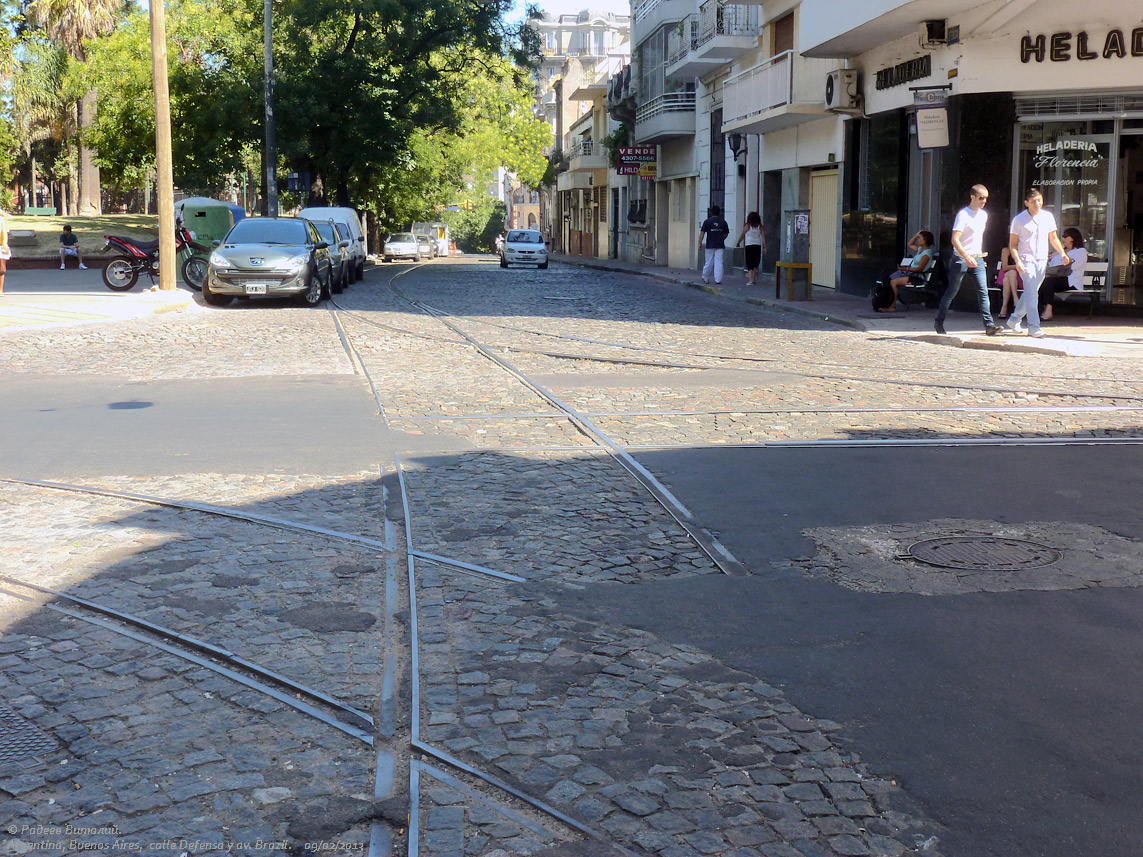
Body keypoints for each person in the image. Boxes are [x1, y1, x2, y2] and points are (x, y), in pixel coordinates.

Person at [935, 184, 1001, 335]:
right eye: (981, 198)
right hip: (960, 259)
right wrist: (966, 256)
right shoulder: (963, 215)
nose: (984, 201)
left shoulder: (984, 215)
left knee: (983, 292)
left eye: (986, 198)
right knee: (952, 291)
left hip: (977, 259)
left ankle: (989, 325)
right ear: (973, 197)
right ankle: (939, 322)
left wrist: (977, 255)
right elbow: (954, 239)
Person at [1007, 187, 1067, 338]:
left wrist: (1062, 253)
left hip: (1042, 259)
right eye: (1034, 201)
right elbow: (1013, 244)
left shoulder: (1047, 217)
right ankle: (1034, 327)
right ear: (1026, 203)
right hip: (1026, 259)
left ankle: (1014, 320)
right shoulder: (1018, 220)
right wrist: (1017, 261)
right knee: (1033, 293)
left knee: (1030, 292)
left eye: (1039, 200)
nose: (1037, 204)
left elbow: (1053, 238)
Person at [1038, 227, 1087, 321]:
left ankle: (1048, 310)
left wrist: (1063, 256)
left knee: (1049, 282)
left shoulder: (1080, 251)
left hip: (1071, 280)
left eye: (1065, 236)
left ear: (1072, 238)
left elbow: (1075, 267)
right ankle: (1039, 311)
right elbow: (1051, 266)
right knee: (1042, 282)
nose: (1063, 239)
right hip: (1056, 278)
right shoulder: (1060, 252)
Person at [882, 230, 935, 311]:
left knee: (894, 282)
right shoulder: (920, 249)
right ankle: (886, 302)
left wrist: (906, 269)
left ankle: (892, 306)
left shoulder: (926, 254)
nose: (918, 240)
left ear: (925, 240)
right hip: (910, 274)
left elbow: (920, 269)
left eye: (919, 238)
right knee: (888, 279)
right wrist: (917, 234)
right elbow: (910, 244)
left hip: (917, 277)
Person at [698, 205, 730, 285]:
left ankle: (705, 276)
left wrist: (700, 243)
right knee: (719, 262)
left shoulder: (707, 221)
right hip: (720, 244)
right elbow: (726, 233)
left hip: (710, 244)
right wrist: (722, 238)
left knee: (709, 261)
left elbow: (702, 233)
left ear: (711, 212)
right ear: (719, 212)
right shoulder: (723, 222)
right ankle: (718, 279)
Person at [734, 211, 766, 285]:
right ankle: (753, 279)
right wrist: (765, 247)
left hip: (749, 245)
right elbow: (763, 237)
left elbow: (742, 235)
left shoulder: (747, 226)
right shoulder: (760, 226)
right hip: (757, 245)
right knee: (755, 263)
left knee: (749, 262)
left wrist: (738, 242)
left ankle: (750, 280)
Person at [996, 246, 1022, 319]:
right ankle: (1015, 298)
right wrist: (1017, 266)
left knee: (1007, 280)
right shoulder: (1006, 250)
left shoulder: (1022, 250)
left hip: (1018, 276)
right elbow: (1005, 267)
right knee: (1012, 273)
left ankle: (1004, 308)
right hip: (1005, 273)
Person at [0, 205, 8, 295]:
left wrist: (4, 243)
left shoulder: (1, 220)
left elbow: (4, 233)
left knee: (2, 269)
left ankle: (0, 289)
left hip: (0, 245)